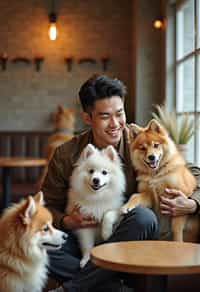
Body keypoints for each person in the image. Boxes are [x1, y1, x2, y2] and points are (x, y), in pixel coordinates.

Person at [42, 75, 200, 292]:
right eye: (105, 116)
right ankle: (112, 287)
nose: (115, 124)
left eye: (120, 113)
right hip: (83, 236)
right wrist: (68, 221)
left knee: (143, 217)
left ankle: (74, 288)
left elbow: (191, 172)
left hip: (130, 237)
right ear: (87, 118)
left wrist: (192, 203)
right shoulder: (66, 154)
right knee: (33, 242)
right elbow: (48, 205)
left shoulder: (141, 141)